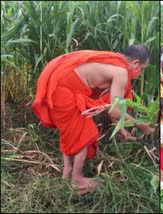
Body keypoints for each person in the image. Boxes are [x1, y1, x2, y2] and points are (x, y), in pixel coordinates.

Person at [32, 45, 155, 195]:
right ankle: (77, 179)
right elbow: (115, 110)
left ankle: (68, 171)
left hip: (61, 84)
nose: (139, 73)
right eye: (141, 68)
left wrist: (122, 129)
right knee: (84, 132)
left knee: (71, 130)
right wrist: (141, 125)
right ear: (135, 63)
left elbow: (112, 107)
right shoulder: (121, 71)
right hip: (63, 90)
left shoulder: (114, 61)